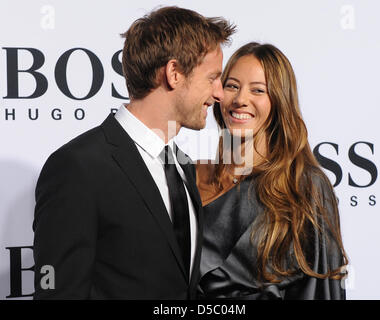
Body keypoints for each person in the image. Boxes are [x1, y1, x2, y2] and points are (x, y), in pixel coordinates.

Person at [33, 6, 235, 299]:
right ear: (174, 73)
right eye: (212, 78)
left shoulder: (182, 165)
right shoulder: (78, 167)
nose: (219, 94)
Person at [196, 42, 348, 300]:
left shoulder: (304, 186)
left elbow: (322, 290)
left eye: (258, 90)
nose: (241, 99)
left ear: (279, 100)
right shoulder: (188, 176)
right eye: (232, 86)